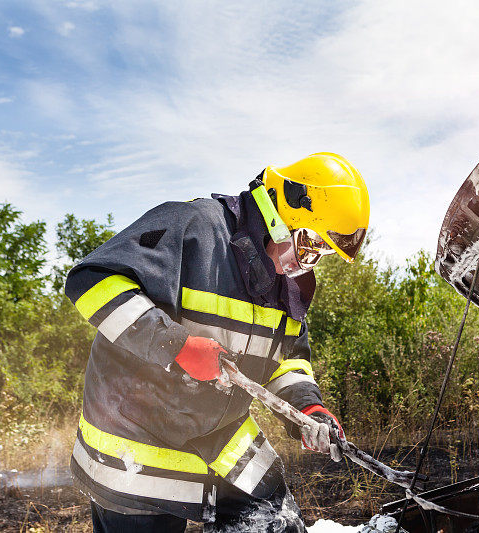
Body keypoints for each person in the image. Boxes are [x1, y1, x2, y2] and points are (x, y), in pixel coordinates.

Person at [64, 153, 370, 532]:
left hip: (221, 434)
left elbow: (287, 360)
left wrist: (309, 409)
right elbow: (91, 280)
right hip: (136, 441)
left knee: (277, 524)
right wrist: (175, 346)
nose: (306, 264)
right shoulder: (195, 227)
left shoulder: (290, 287)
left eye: (319, 255)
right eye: (308, 245)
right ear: (282, 213)